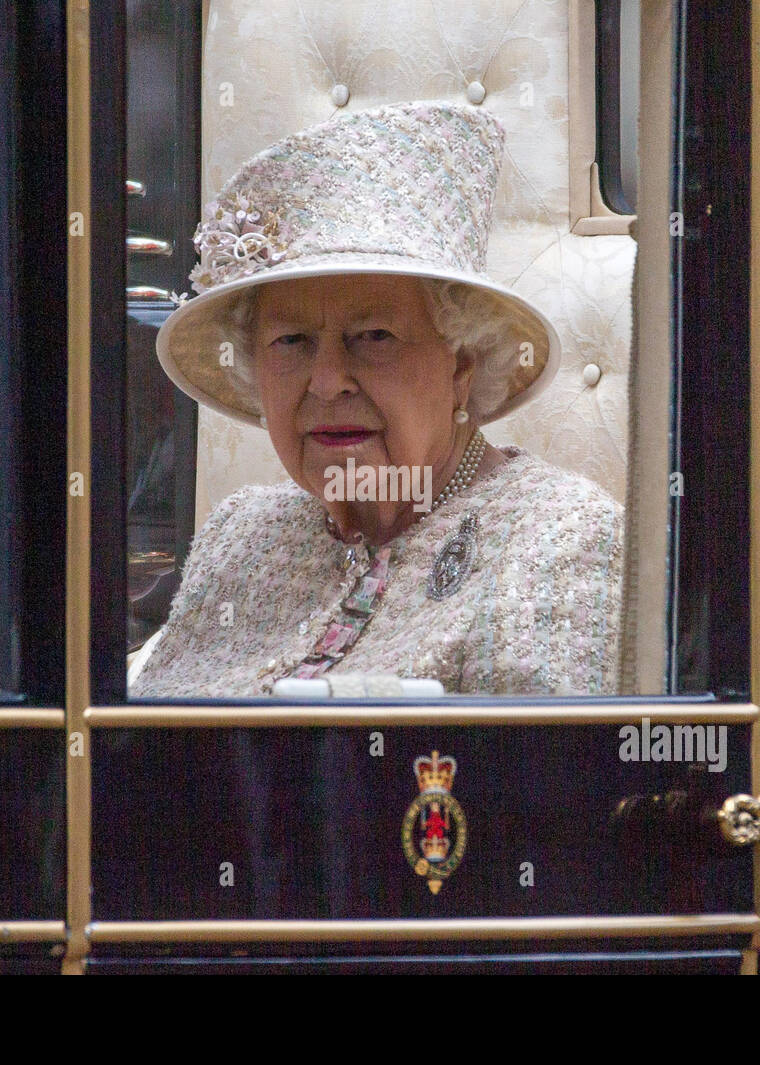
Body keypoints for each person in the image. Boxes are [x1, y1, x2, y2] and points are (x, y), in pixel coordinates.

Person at [130, 101, 623, 697]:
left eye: (374, 336)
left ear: (461, 367)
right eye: (292, 341)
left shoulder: (560, 539)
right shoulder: (239, 533)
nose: (327, 379)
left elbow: (536, 783)